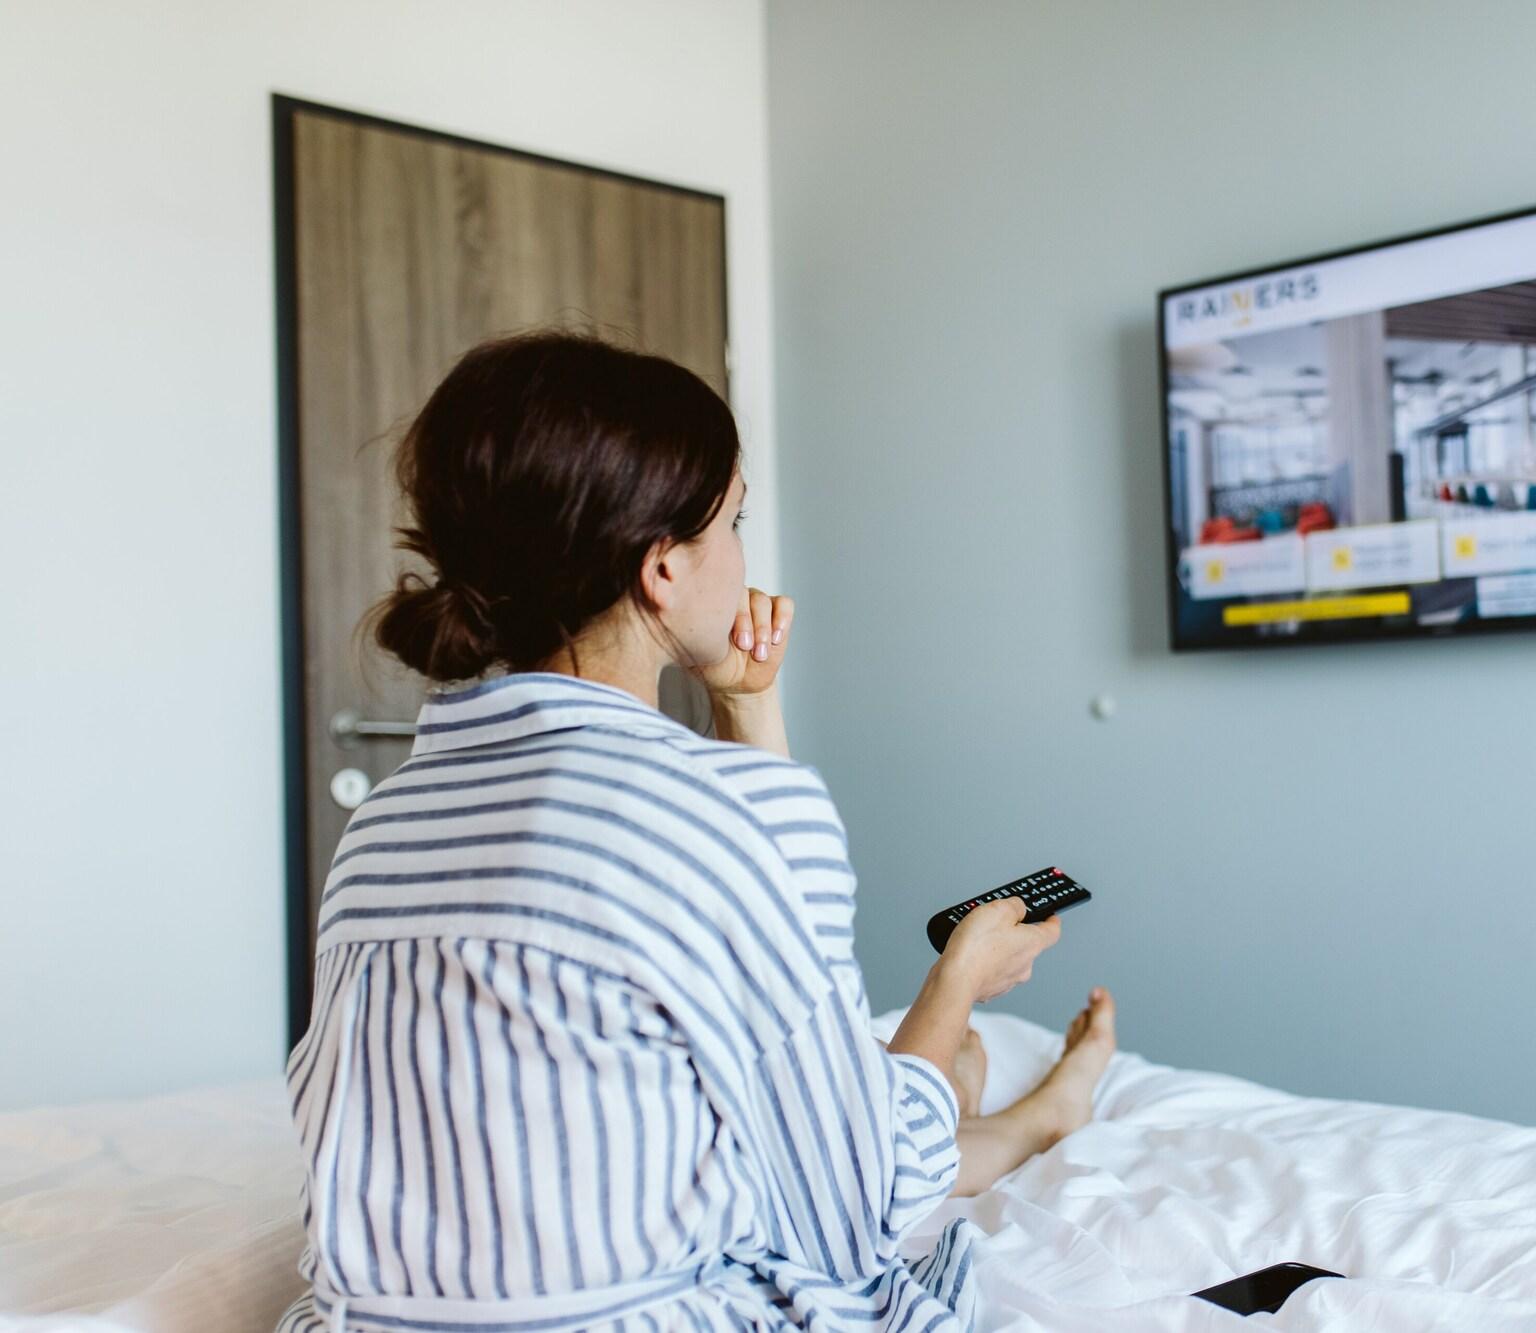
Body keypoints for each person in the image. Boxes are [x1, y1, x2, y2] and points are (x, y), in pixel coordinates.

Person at [276, 331, 1117, 1333]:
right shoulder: (702, 816)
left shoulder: (382, 825)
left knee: (843, 1090)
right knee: (894, 1098)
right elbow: (851, 1215)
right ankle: (1019, 1113)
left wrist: (744, 703)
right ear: (663, 566)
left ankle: (1020, 1115)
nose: (745, 553)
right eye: (735, 521)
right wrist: (957, 979)